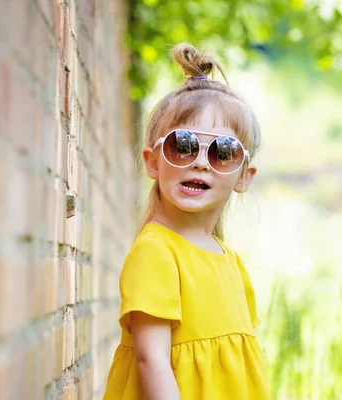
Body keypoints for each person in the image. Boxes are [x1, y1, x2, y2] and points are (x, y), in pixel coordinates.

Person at [102, 42, 269, 400]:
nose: (200, 162)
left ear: (244, 176)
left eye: (223, 152)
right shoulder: (157, 251)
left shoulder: (231, 262)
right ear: (152, 162)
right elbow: (152, 359)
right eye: (184, 145)